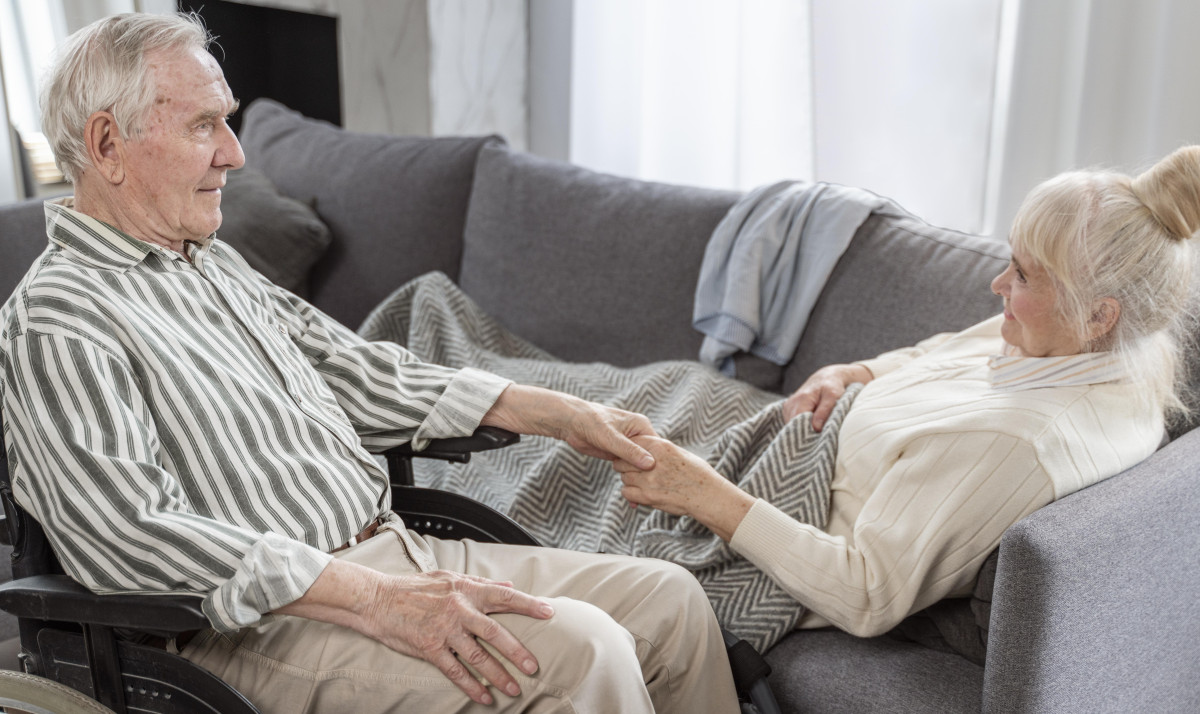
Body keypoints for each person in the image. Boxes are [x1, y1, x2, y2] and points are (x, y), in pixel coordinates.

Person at [0, 12, 741, 713]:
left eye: (225, 119)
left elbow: (348, 367)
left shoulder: (208, 262)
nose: (235, 151)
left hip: (391, 553)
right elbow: (132, 531)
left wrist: (558, 412)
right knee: (582, 653)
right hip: (254, 627)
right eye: (203, 126)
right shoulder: (59, 319)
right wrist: (371, 598)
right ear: (105, 146)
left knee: (671, 603)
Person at [614, 146, 1199, 637]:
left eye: (1022, 274)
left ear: (1100, 316)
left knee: (586, 445)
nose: (997, 284)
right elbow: (941, 350)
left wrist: (703, 495)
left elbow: (866, 592)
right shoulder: (1108, 349)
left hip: (785, 498)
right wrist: (853, 373)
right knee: (637, 393)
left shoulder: (1014, 445)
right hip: (795, 431)